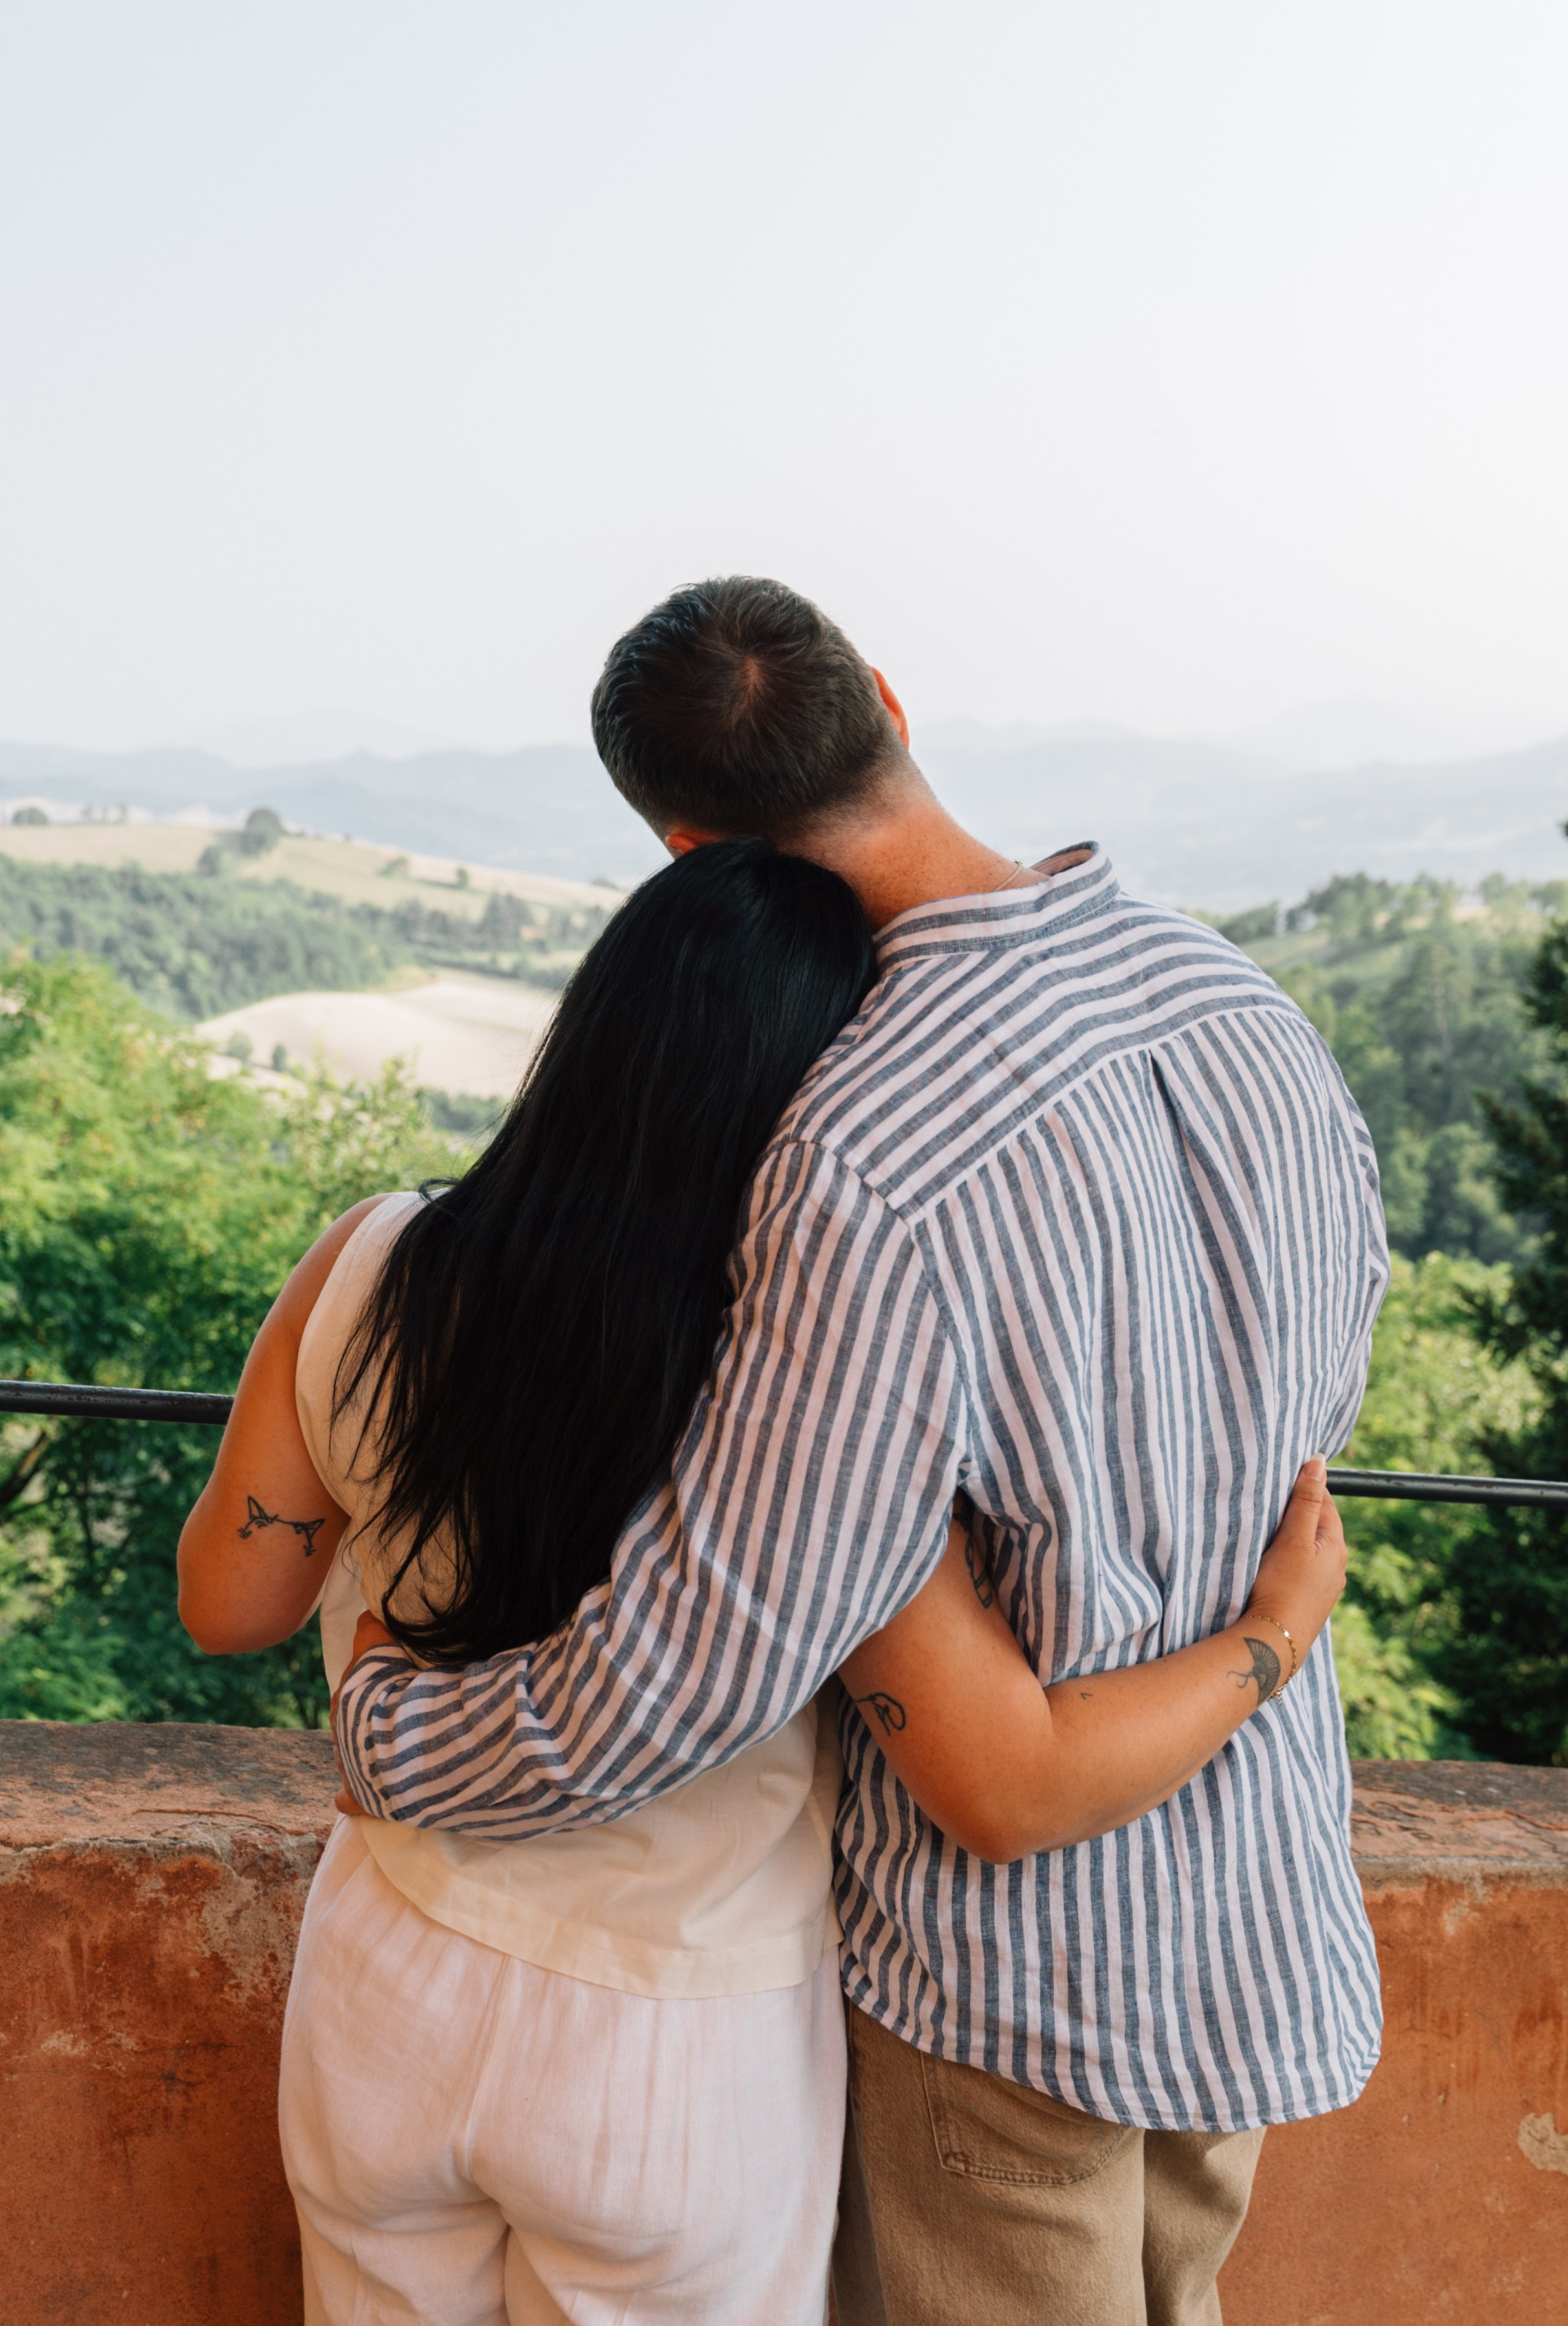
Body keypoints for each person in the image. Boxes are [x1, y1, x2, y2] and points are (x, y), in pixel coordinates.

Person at [327, 578, 1390, 2326]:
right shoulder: (1237, 998)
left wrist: (397, 1731)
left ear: (690, 852)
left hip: (1019, 1984)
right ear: (888, 698)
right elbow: (1315, 1404)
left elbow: (703, 1652)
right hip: (1250, 1906)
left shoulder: (857, 1154)